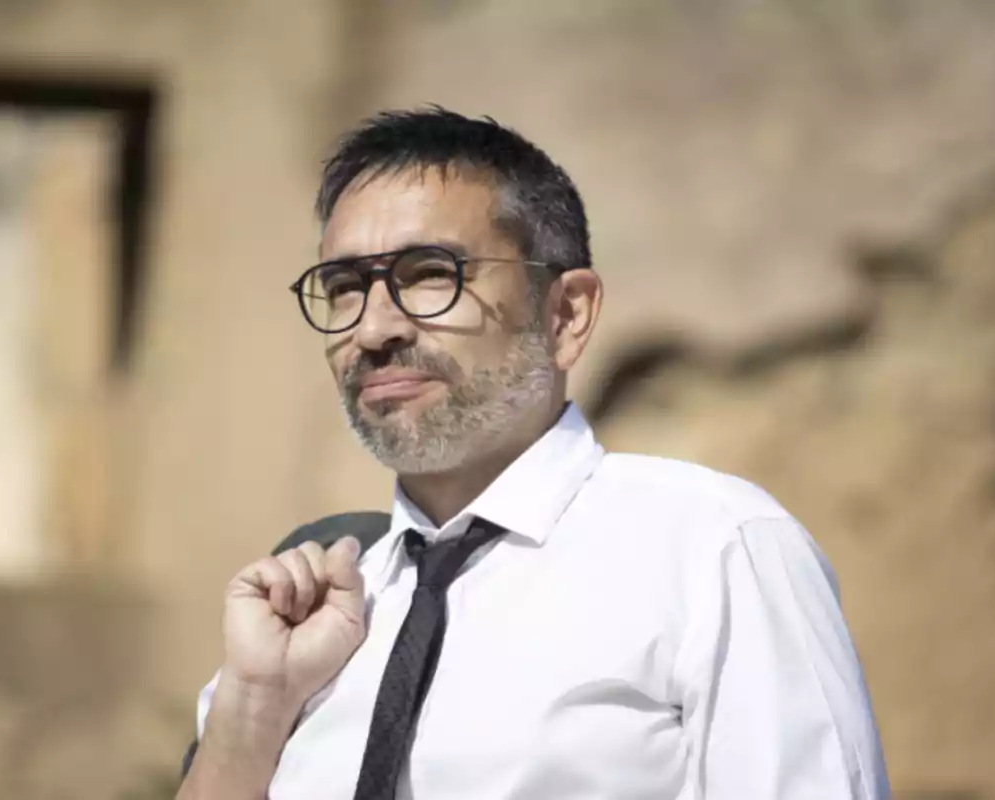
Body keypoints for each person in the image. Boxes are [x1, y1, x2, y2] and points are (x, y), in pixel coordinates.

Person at [177, 107, 890, 800]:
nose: (374, 328)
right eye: (344, 287)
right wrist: (253, 707)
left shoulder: (713, 550)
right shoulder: (312, 615)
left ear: (565, 315)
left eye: (430, 274)